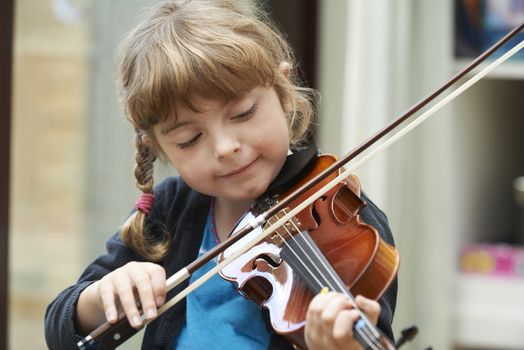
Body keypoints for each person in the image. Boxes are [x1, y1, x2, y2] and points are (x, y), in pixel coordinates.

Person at [44, 1, 397, 349]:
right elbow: (60, 330)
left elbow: (367, 332)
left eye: (242, 113)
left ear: (283, 91)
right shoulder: (172, 208)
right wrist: (102, 297)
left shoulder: (346, 217)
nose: (225, 147)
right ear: (159, 147)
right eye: (190, 139)